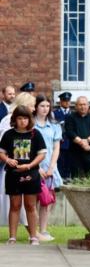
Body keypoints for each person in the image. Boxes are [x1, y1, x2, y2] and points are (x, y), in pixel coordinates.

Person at [0, 104, 47, 244]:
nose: (22, 121)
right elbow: (1, 152)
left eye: (25, 118)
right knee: (14, 206)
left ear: (29, 119)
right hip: (13, 174)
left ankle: (33, 236)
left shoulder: (35, 134)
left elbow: (42, 154)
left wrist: (30, 165)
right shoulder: (8, 134)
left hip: (31, 174)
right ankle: (12, 237)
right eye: (20, 118)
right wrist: (7, 159)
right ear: (15, 119)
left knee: (30, 205)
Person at [34, 94, 62, 241]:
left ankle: (43, 230)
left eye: (47, 106)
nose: (45, 109)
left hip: (50, 168)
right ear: (36, 107)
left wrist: (51, 167)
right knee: (33, 201)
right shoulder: (30, 124)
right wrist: (37, 167)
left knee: (46, 200)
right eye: (42, 106)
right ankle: (33, 232)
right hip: (34, 167)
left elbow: (56, 148)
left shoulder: (55, 125)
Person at [65, 96, 90, 177]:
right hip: (75, 154)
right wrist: (82, 143)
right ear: (76, 106)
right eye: (80, 105)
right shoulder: (70, 118)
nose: (82, 107)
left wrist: (87, 141)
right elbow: (70, 132)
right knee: (76, 177)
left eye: (84, 104)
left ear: (88, 105)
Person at [54, 91, 72, 180]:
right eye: (64, 101)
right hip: (60, 141)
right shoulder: (55, 113)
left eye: (68, 101)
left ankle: (67, 176)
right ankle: (60, 177)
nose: (67, 102)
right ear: (60, 101)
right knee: (60, 160)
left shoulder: (72, 113)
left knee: (69, 160)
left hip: (70, 141)